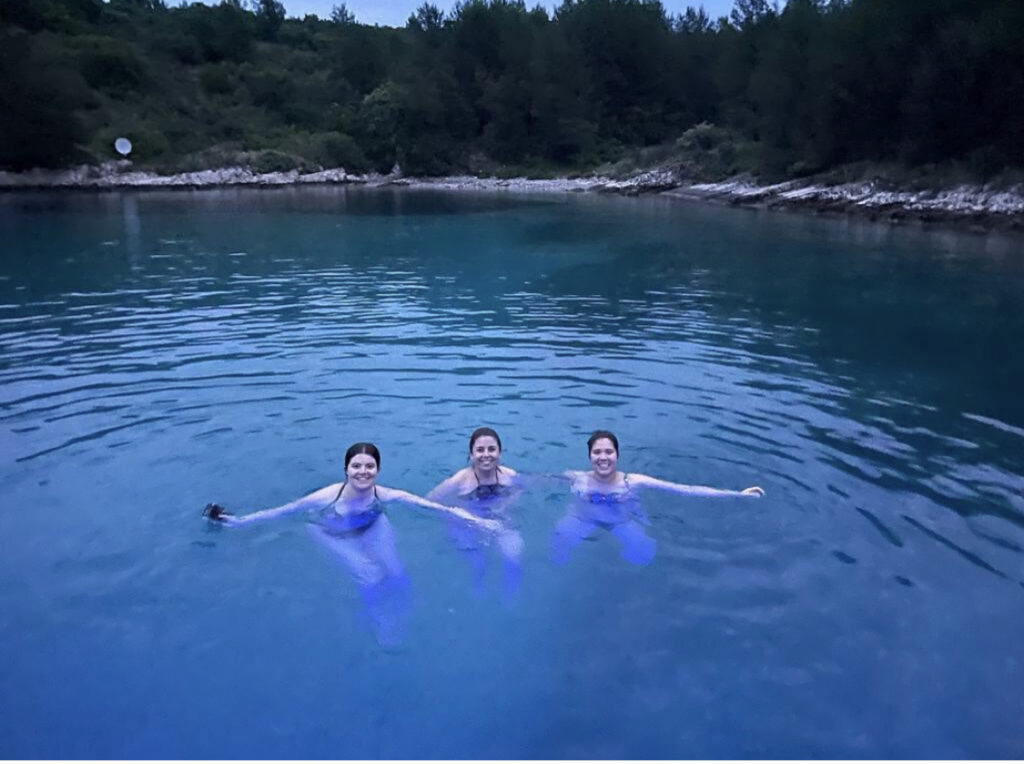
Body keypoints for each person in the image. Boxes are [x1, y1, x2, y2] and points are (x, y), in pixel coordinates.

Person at [203, 442, 502, 646]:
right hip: (328, 530)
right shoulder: (326, 496)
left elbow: (431, 507)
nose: (363, 471)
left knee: (396, 573)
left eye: (369, 466)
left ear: (378, 470)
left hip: (372, 524)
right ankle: (380, 623)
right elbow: (281, 512)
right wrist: (237, 522)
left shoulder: (383, 494)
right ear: (346, 469)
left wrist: (477, 521)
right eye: (356, 466)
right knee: (370, 572)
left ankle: (409, 617)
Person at [551, 430, 765, 566]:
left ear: (617, 455)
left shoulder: (633, 481)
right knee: (557, 551)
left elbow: (685, 489)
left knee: (643, 556)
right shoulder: (576, 478)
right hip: (582, 518)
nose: (603, 457)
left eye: (609, 452)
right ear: (589, 456)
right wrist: (515, 480)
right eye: (597, 452)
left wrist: (738, 495)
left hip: (622, 521)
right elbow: (537, 480)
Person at [428, 427, 524, 599]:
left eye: (491, 449)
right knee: (478, 561)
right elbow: (431, 499)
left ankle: (511, 592)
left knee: (514, 554)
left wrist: (506, 506)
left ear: (499, 453)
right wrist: (454, 515)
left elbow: (520, 491)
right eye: (480, 450)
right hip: (466, 523)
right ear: (471, 455)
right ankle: (478, 587)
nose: (486, 454)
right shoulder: (461, 479)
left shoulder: (509, 476)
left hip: (498, 521)